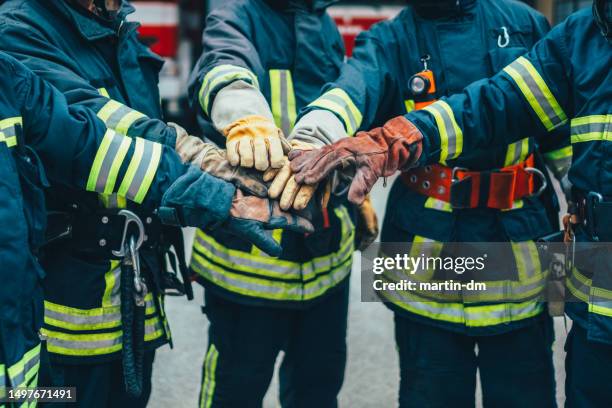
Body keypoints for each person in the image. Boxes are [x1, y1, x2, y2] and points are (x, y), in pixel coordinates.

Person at [290, 1, 611, 406]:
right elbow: (352, 90)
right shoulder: (388, 38)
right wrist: (312, 138)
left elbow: (560, 137)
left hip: (522, 256)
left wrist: (584, 207)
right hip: (424, 273)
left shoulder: (524, 23)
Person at [0, 0, 309, 405]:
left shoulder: (113, 24)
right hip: (68, 314)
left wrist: (215, 195)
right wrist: (207, 165)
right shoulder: (19, 29)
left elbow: (106, 143)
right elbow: (100, 126)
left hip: (131, 300)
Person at [185, 0, 379, 406]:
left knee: (318, 392)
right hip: (247, 268)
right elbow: (222, 64)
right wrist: (244, 118)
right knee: (232, 394)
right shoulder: (236, 12)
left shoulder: (320, 22)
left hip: (325, 263)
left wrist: (345, 189)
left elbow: (338, 113)